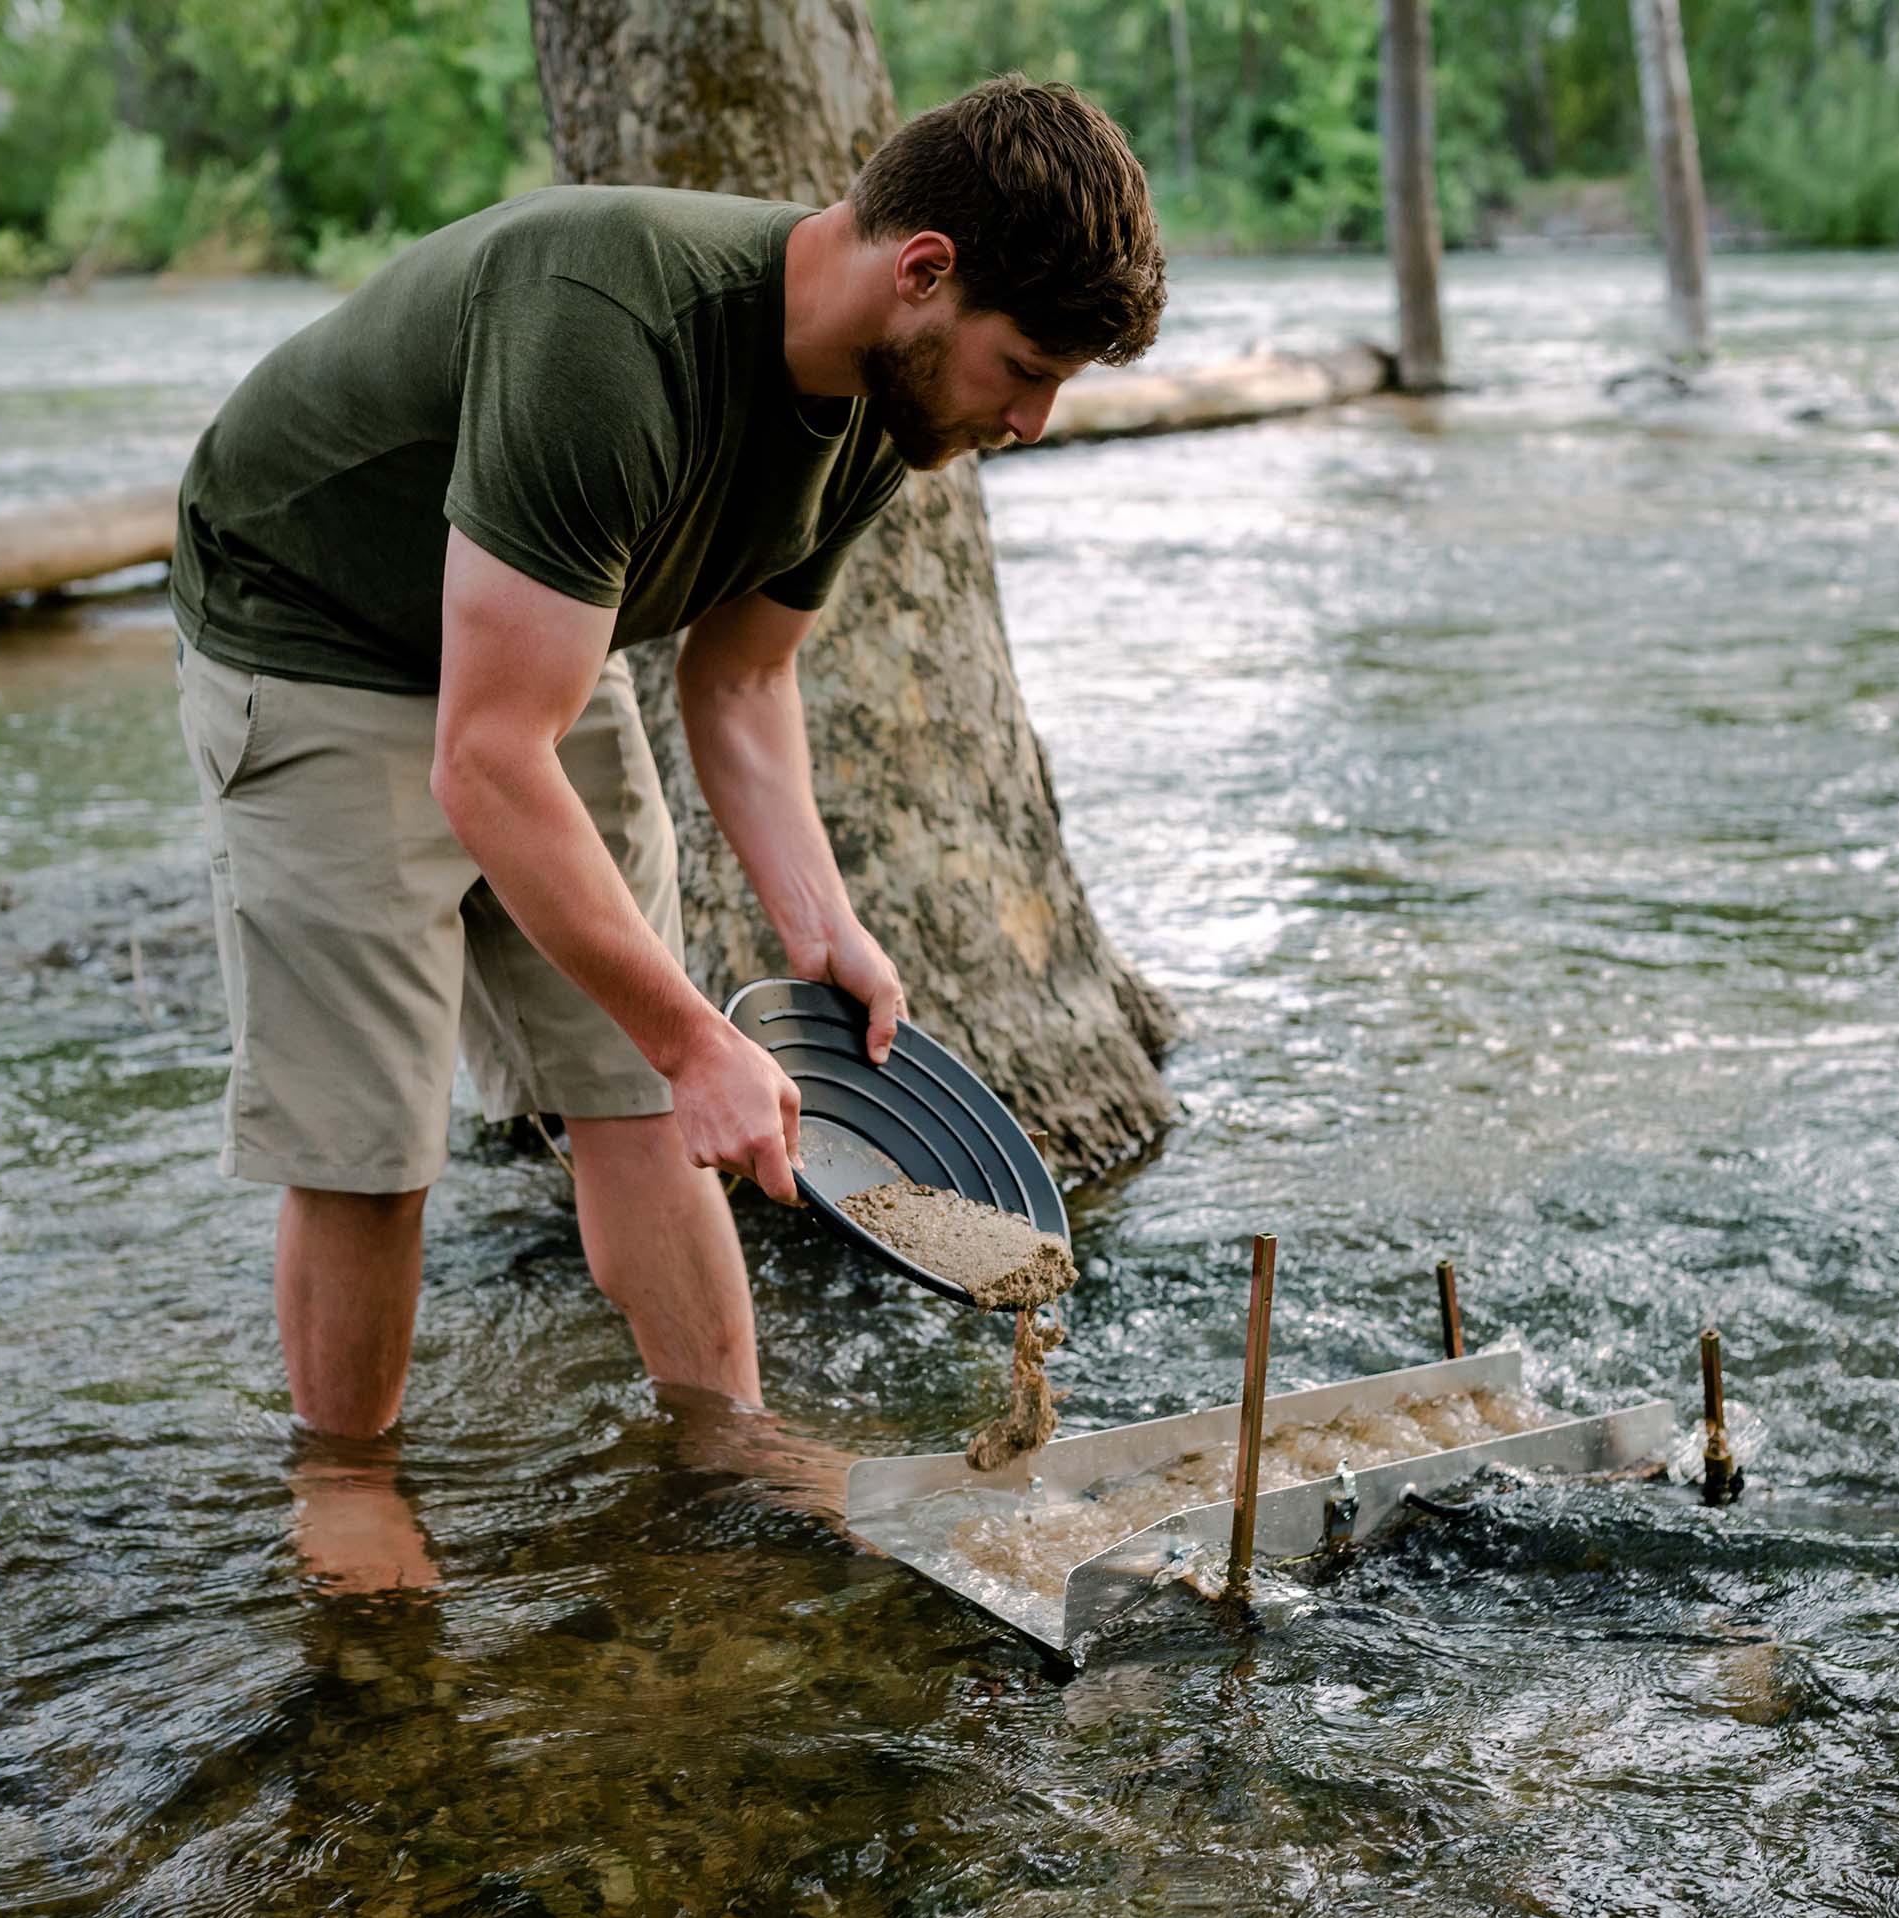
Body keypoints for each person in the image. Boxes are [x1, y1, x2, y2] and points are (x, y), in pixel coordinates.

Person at [167, 77, 1167, 1496]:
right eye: (1025, 368)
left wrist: (819, 923)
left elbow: (743, 682)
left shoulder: (888, 405)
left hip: (530, 635)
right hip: (314, 621)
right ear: (923, 272)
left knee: (641, 1086)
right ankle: (348, 1496)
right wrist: (700, 1039)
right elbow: (484, 760)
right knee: (372, 1135)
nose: (1036, 419)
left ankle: (731, 1449)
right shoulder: (611, 332)